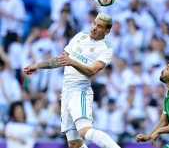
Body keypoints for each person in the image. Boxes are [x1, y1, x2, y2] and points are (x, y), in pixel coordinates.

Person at [23, 13, 120, 148]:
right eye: (94, 24)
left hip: (80, 91)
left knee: (84, 131)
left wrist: (72, 62)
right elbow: (61, 60)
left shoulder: (105, 49)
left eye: (99, 26)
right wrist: (37, 65)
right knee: (74, 144)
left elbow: (92, 70)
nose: (94, 28)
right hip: (67, 92)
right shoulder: (80, 36)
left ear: (107, 31)